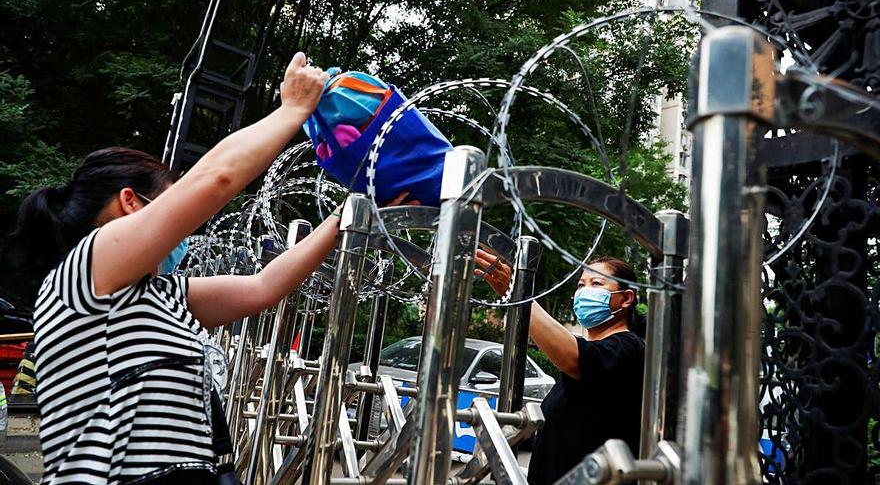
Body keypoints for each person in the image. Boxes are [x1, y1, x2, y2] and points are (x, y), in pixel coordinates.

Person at [10, 52, 412, 485]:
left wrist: (349, 214)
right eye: (169, 196)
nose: (182, 221)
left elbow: (263, 286)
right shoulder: (88, 269)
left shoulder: (160, 293)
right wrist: (294, 110)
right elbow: (216, 178)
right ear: (131, 202)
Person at [475, 251, 646, 485]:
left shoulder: (628, 349)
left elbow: (573, 357)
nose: (584, 292)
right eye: (580, 285)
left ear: (626, 298)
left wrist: (518, 293)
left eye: (596, 283)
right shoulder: (585, 359)